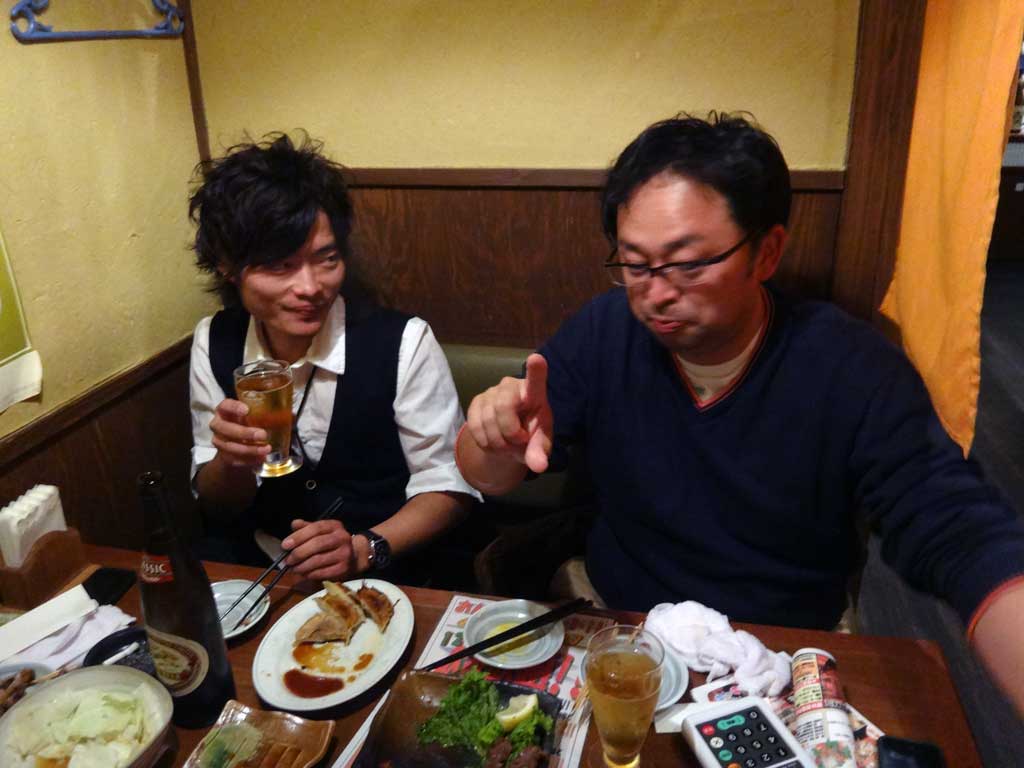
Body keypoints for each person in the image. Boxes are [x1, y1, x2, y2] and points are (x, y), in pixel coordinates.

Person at [456, 113, 1024, 713]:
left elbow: (957, 529)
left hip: (775, 651)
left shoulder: (849, 367)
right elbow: (484, 474)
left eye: (689, 264)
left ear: (766, 252)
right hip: (620, 624)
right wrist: (494, 442)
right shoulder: (604, 333)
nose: (657, 293)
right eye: (635, 264)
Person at [188, 133, 479, 584]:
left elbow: (449, 486)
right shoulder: (216, 341)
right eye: (279, 265)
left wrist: (365, 548)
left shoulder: (403, 341)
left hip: (389, 572)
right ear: (227, 265)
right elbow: (216, 504)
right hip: (259, 570)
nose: (310, 287)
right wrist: (230, 463)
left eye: (326, 259)